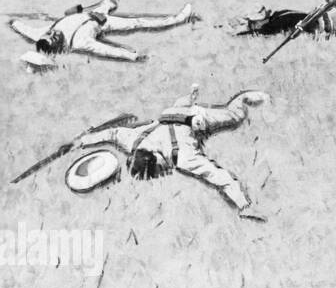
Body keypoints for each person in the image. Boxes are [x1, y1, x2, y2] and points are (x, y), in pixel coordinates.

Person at [74, 87, 269, 221]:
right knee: (184, 102)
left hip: (196, 117)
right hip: (171, 110)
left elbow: (218, 176)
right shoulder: (132, 140)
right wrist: (82, 141)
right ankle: (188, 96)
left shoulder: (183, 157)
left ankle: (249, 96)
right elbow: (112, 133)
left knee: (235, 116)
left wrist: (244, 206)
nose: (164, 171)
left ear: (157, 159)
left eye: (159, 170)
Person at [12, 0, 193, 63]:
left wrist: (15, 23)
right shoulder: (79, 42)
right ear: (57, 46)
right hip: (102, 22)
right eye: (53, 38)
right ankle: (178, 19)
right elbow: (106, 50)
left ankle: (108, 2)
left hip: (90, 13)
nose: (53, 33)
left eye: (48, 34)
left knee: (104, 6)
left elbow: (27, 31)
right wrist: (132, 56)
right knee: (136, 23)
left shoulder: (43, 34)